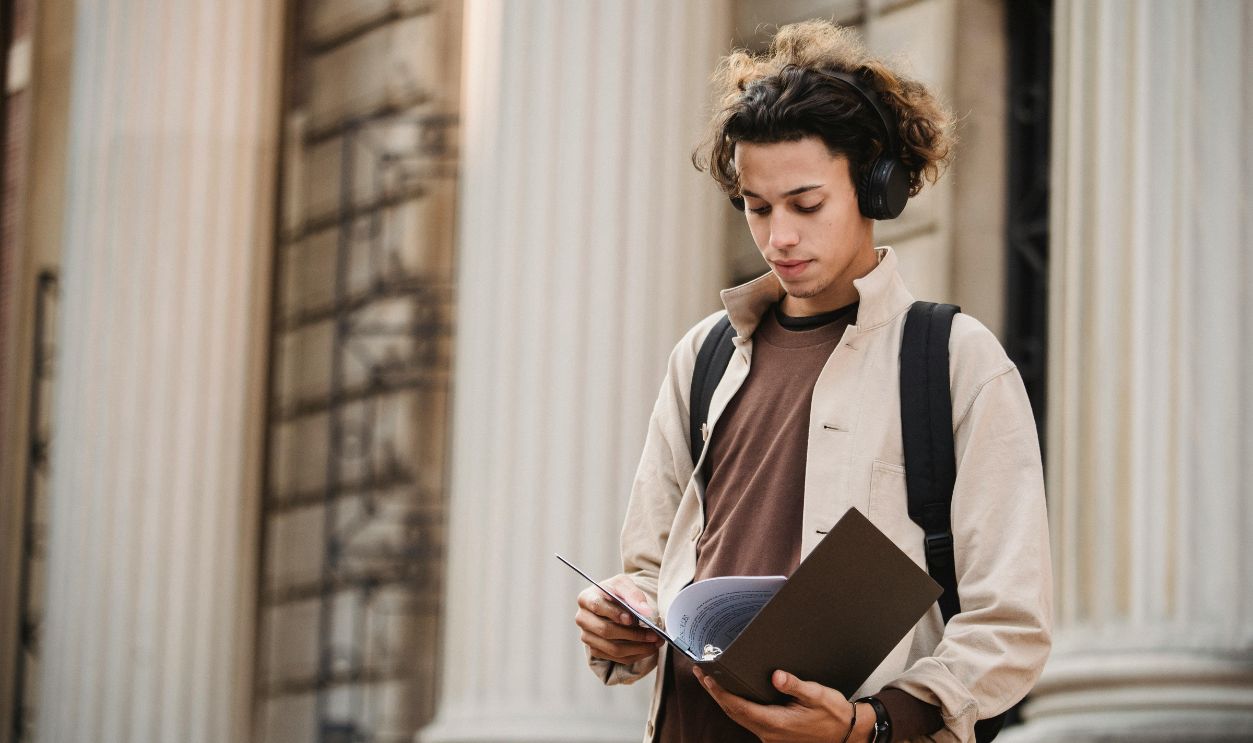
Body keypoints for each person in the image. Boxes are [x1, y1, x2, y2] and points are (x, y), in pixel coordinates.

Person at [573, 19, 1051, 743]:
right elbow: (646, 570)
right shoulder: (700, 356)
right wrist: (618, 616)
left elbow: (1009, 619)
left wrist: (868, 723)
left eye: (805, 204)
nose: (778, 238)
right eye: (757, 209)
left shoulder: (954, 360)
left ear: (875, 187)